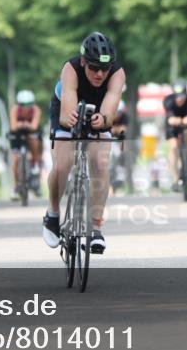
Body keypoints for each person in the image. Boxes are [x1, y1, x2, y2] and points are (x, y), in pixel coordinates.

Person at [44, 31, 126, 254]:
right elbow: (65, 115)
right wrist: (70, 118)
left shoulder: (117, 74)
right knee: (62, 165)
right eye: (93, 68)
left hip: (98, 112)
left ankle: (96, 227)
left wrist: (103, 120)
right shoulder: (71, 69)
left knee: (99, 164)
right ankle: (52, 214)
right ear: (83, 62)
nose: (100, 73)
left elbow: (109, 111)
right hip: (66, 110)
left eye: (104, 69)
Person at [164, 79, 187, 191]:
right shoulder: (168, 101)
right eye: (177, 96)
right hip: (173, 125)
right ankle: (175, 179)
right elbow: (170, 117)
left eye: (182, 96)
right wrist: (173, 119)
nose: (179, 99)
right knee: (173, 148)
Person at [9, 89, 42, 200]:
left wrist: (22, 124)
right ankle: (16, 186)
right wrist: (26, 124)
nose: (26, 107)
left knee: (34, 140)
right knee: (15, 161)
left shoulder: (36, 110)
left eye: (29, 104)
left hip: (31, 133)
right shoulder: (14, 110)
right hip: (17, 134)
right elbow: (13, 127)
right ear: (19, 104)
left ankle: (35, 164)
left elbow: (34, 126)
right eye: (23, 105)